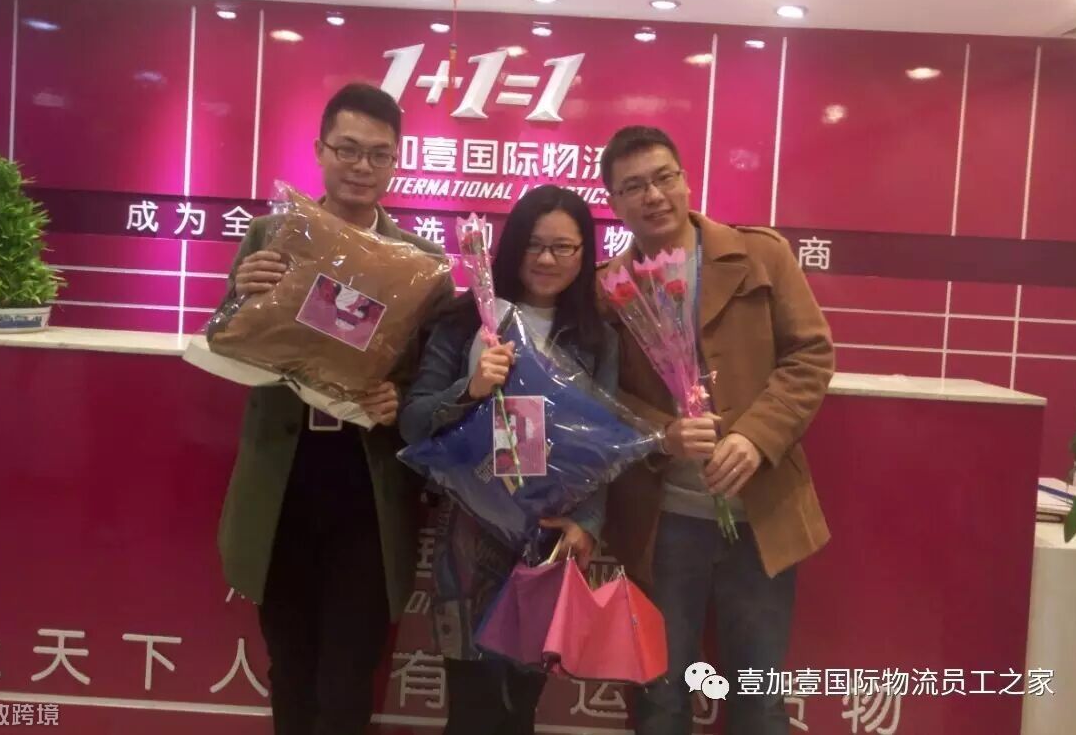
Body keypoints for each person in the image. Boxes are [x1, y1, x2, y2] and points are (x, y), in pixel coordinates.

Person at [209, 83, 452, 735]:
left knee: (348, 675)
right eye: (347, 149)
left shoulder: (420, 266)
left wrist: (400, 398)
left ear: (396, 161)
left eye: (378, 154)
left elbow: (432, 379)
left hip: (366, 488)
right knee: (289, 663)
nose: (361, 166)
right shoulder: (272, 234)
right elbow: (224, 338)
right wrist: (239, 294)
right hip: (282, 480)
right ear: (320, 151)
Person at [596, 126, 835, 735]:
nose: (653, 195)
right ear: (614, 202)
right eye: (633, 186)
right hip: (662, 523)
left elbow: (810, 356)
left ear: (685, 179)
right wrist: (663, 433)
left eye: (663, 178)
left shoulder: (759, 255)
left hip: (761, 516)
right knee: (660, 699)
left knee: (757, 698)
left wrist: (756, 436)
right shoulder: (609, 289)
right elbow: (600, 396)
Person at [399, 185, 619, 735]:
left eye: (563, 247)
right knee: (471, 706)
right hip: (468, 531)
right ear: (512, 245)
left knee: (520, 706)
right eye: (533, 244)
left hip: (547, 534)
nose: (546, 259)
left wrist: (588, 524)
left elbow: (603, 446)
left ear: (584, 254)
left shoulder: (597, 338)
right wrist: (470, 389)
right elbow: (413, 420)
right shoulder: (464, 321)